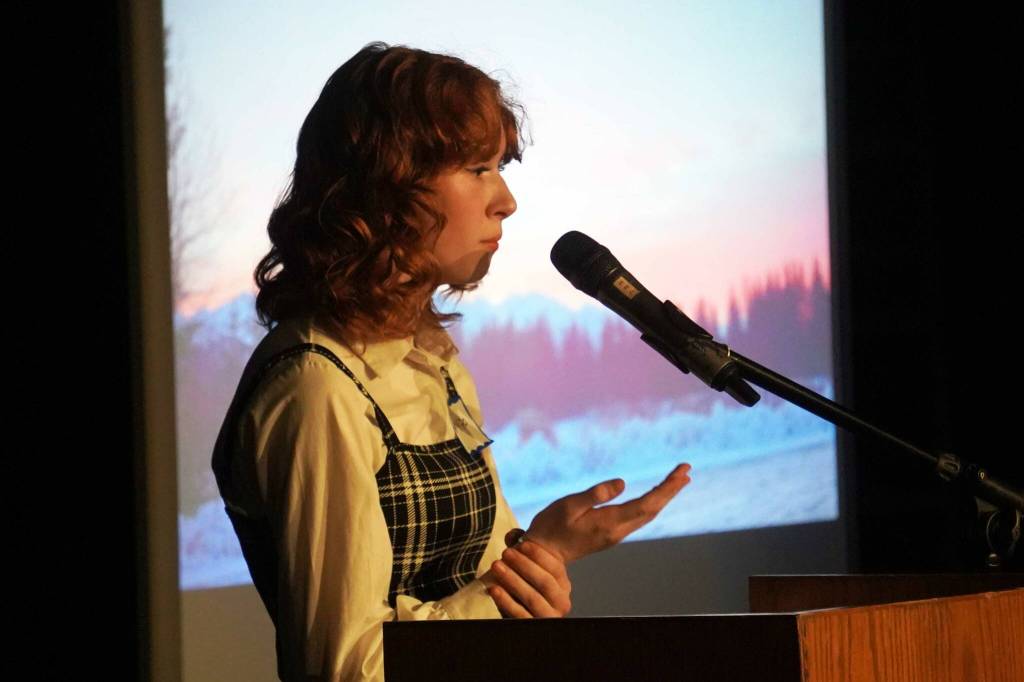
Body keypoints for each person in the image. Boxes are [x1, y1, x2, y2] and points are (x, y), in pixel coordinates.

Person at [211, 41, 692, 681]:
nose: (506, 200)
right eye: (477, 168)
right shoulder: (316, 386)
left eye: (500, 166)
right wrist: (503, 596)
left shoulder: (431, 359)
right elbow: (346, 667)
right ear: (387, 185)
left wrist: (542, 558)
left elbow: (485, 578)